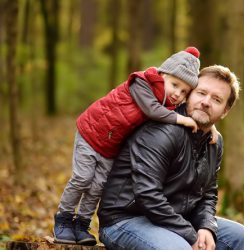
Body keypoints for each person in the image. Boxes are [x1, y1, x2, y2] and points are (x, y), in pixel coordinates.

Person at [54, 47, 219, 246]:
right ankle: (63, 218)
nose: (177, 94)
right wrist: (182, 120)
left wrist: (209, 125)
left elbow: (194, 112)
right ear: (162, 74)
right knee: (82, 179)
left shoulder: (167, 101)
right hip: (92, 134)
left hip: (110, 145)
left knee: (97, 186)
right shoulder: (142, 83)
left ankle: (81, 224)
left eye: (184, 91)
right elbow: (152, 110)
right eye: (174, 85)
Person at [98, 65, 244, 250]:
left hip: (174, 218)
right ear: (188, 94)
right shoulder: (163, 131)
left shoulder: (214, 141)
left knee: (240, 237)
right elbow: (148, 195)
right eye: (201, 93)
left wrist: (206, 226)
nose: (205, 102)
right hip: (125, 219)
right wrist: (189, 233)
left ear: (225, 111)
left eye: (216, 99)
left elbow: (208, 193)